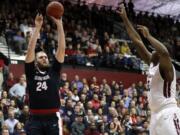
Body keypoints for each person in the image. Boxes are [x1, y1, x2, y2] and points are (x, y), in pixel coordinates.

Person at [119, 4, 180, 135]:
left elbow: (164, 52)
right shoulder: (153, 64)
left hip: (168, 113)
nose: (150, 52)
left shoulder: (166, 67)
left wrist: (149, 36)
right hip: (155, 115)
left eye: (153, 51)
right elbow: (136, 41)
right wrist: (125, 19)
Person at [24, 13, 65, 135]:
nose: (45, 58)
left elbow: (61, 49)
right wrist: (37, 28)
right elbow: (30, 50)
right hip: (34, 119)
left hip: (52, 117)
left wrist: (59, 24)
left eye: (46, 57)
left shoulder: (54, 71)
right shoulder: (31, 72)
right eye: (41, 57)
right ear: (35, 62)